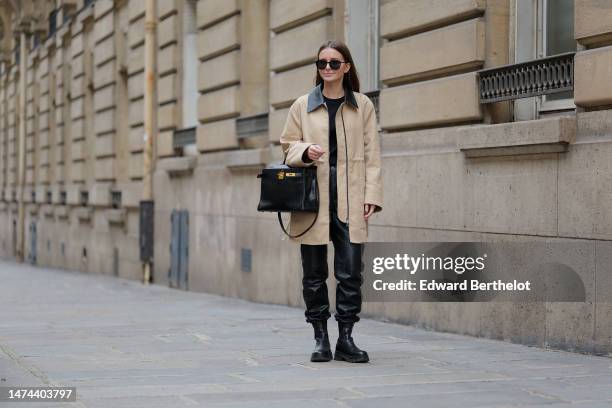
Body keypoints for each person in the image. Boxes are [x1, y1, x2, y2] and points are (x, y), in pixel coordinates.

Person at [279, 40, 383, 363]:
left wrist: (372, 195)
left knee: (351, 271)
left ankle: (347, 338)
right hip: (313, 199)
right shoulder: (302, 105)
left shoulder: (362, 105)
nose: (326, 68)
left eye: (333, 63)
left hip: (351, 197)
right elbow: (287, 146)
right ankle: (320, 337)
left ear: (346, 67)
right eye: (321, 62)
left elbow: (372, 156)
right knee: (313, 272)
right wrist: (304, 152)